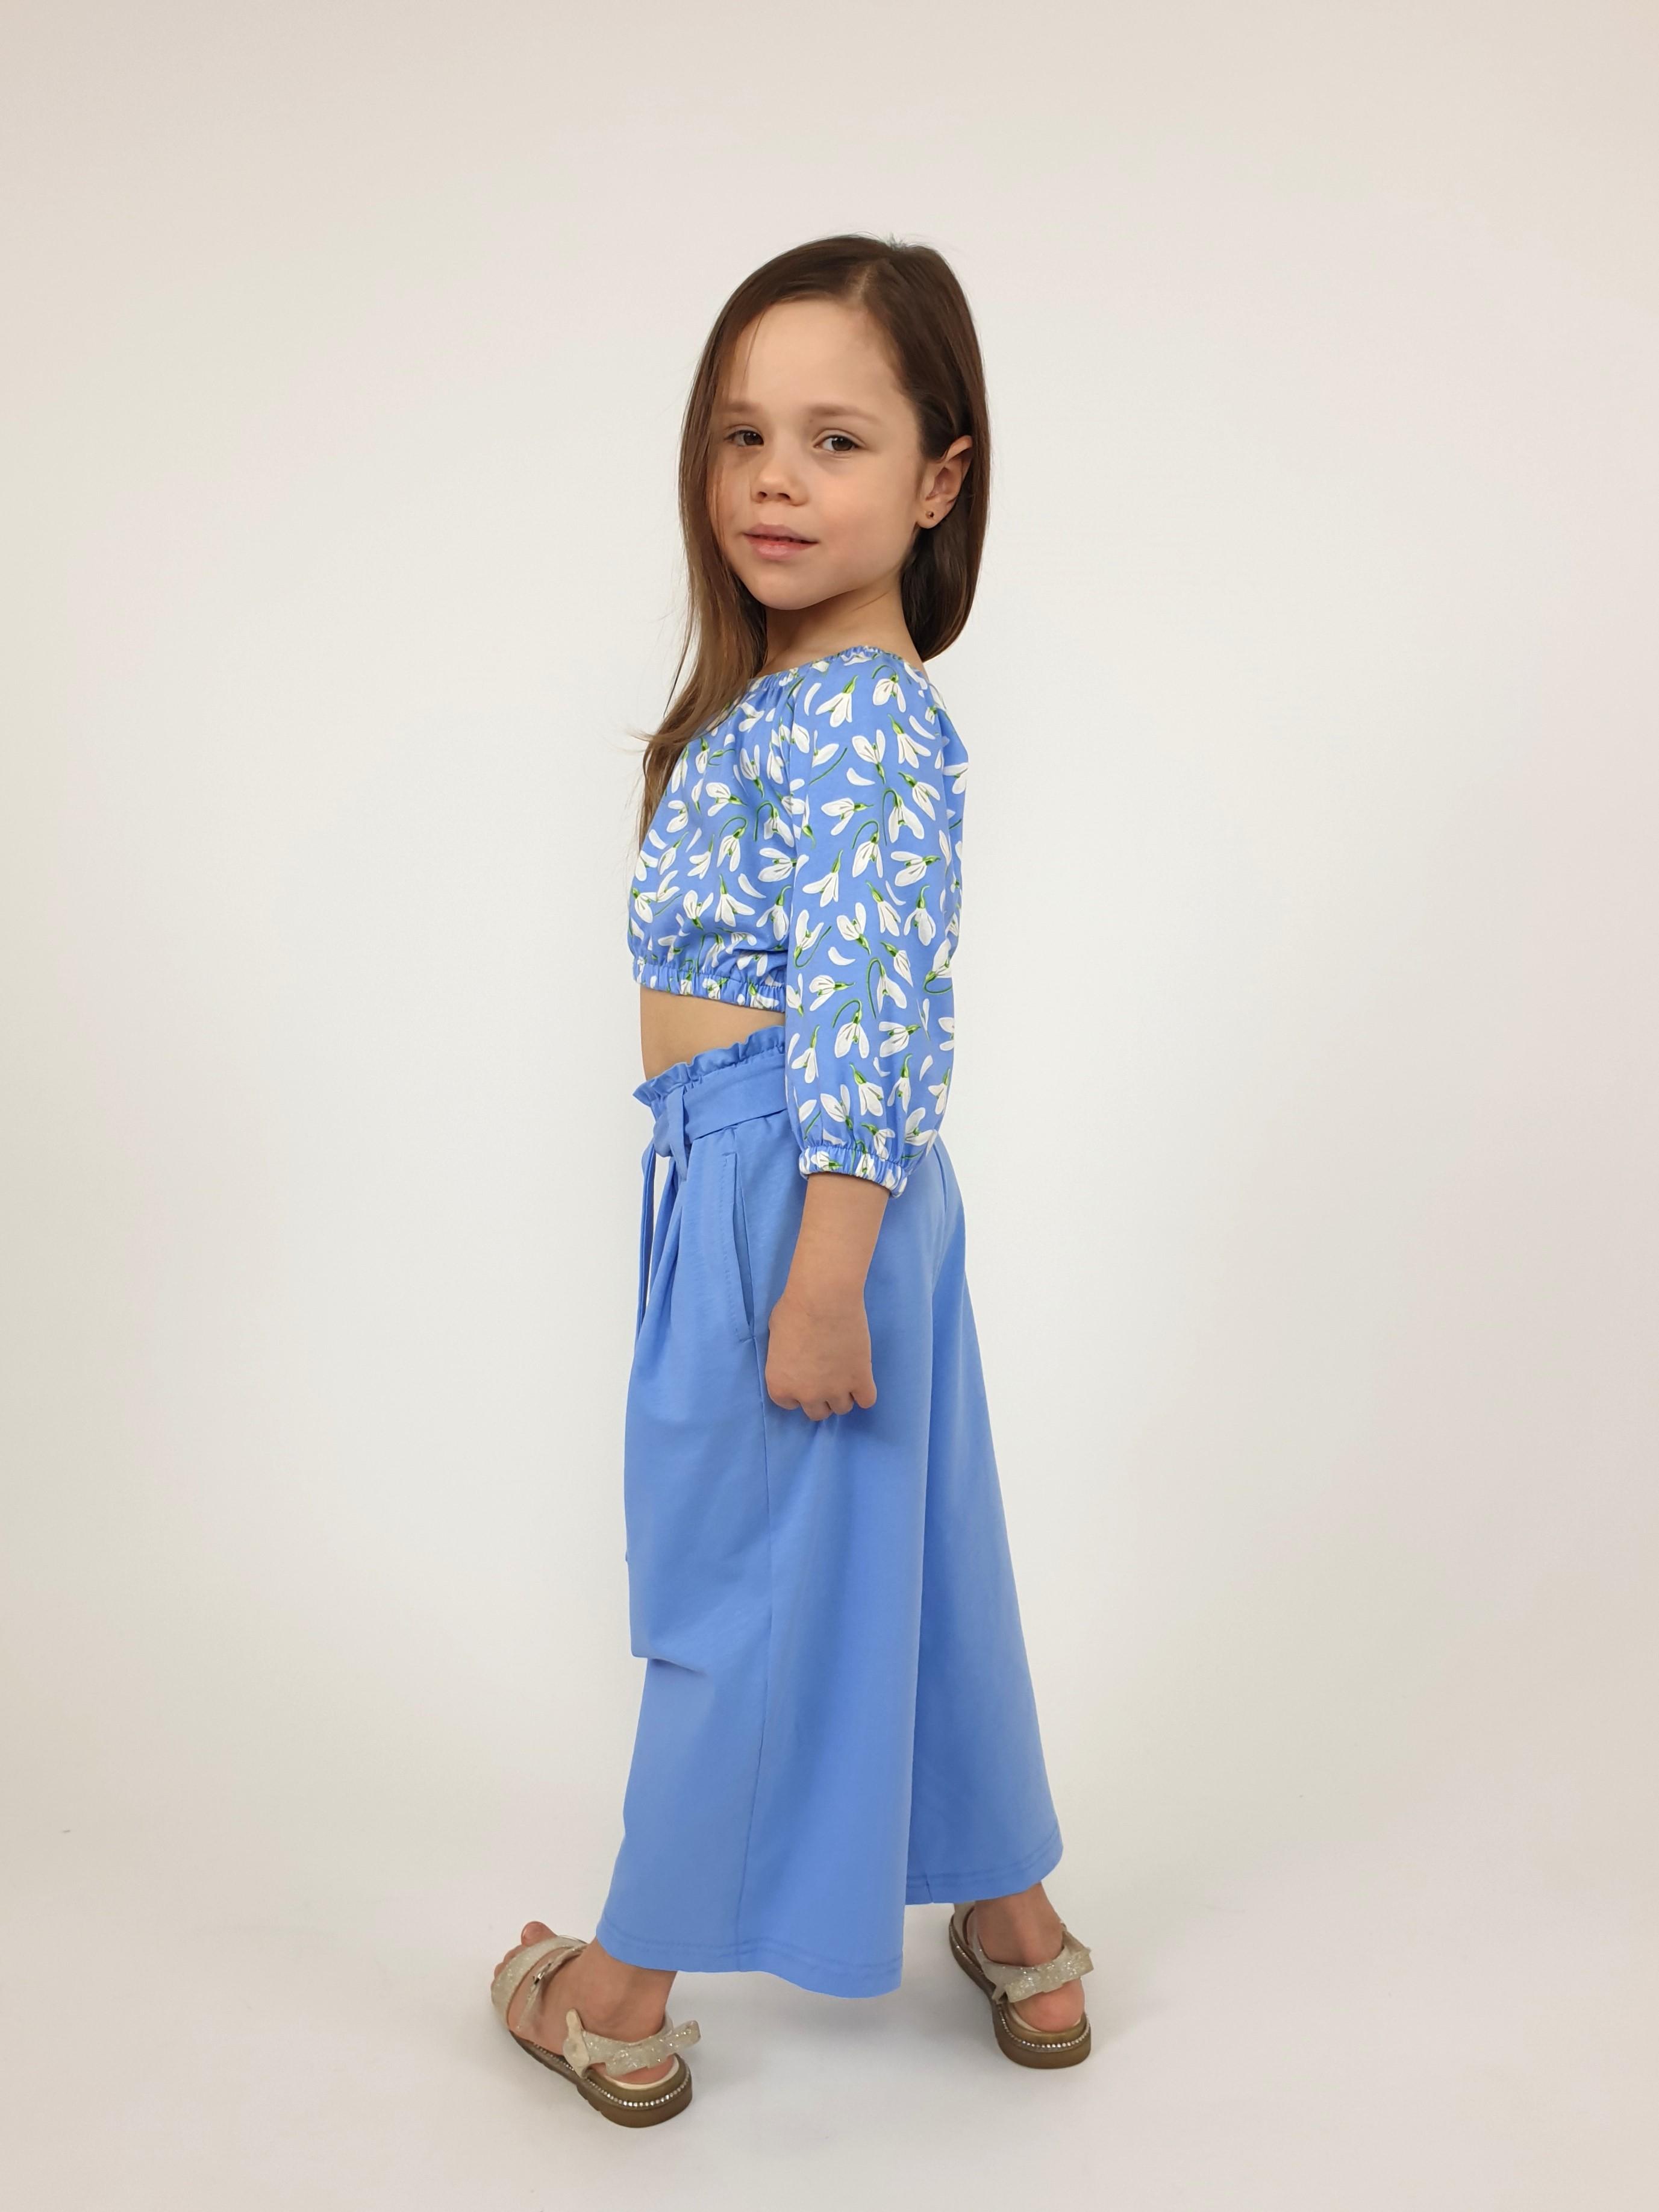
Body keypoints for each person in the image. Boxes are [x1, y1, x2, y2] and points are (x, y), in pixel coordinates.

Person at [489, 233, 1094, 2126]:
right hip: (811, 1179)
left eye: (837, 440)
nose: (773, 478)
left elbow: (873, 1000)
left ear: (936, 479)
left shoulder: (858, 718)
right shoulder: (801, 700)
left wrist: (820, 1272)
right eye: (743, 433)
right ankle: (1019, 1929)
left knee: (730, 1587)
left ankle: (617, 1993)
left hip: (797, 1189)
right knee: (916, 1553)